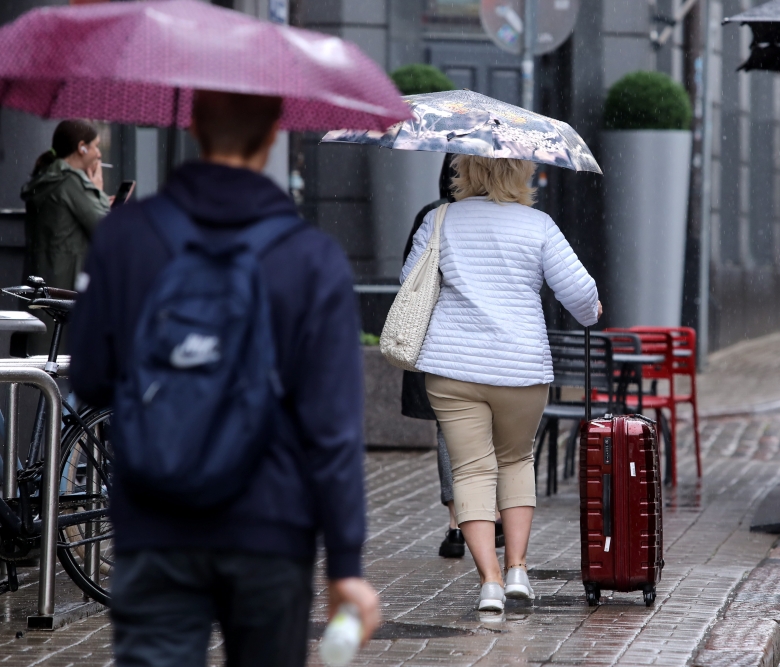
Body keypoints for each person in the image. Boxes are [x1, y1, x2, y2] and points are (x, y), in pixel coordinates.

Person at [69, 90, 379, 666]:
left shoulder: (127, 236)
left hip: (154, 519)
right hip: (271, 522)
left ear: (192, 125)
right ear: (272, 135)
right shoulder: (311, 259)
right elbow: (333, 429)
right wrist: (345, 565)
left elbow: (89, 377)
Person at [401, 154, 600, 611]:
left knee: (470, 469)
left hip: (452, 368)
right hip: (519, 368)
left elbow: (409, 282)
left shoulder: (438, 219)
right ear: (521, 172)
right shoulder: (539, 225)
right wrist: (592, 312)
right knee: (515, 461)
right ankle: (516, 571)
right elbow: (580, 295)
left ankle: (488, 582)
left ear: (464, 171)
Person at [401, 154, 505, 559]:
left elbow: (409, 279)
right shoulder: (507, 216)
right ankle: (490, 515)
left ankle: (456, 524)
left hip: (442, 344)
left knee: (450, 431)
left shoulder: (435, 217)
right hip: (495, 346)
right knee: (496, 432)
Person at [21, 119, 111, 353]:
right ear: (82, 147)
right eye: (95, 146)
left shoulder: (45, 177)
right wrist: (98, 191)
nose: (98, 153)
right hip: (66, 288)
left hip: (42, 282)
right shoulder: (70, 181)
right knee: (64, 360)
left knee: (39, 358)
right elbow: (104, 229)